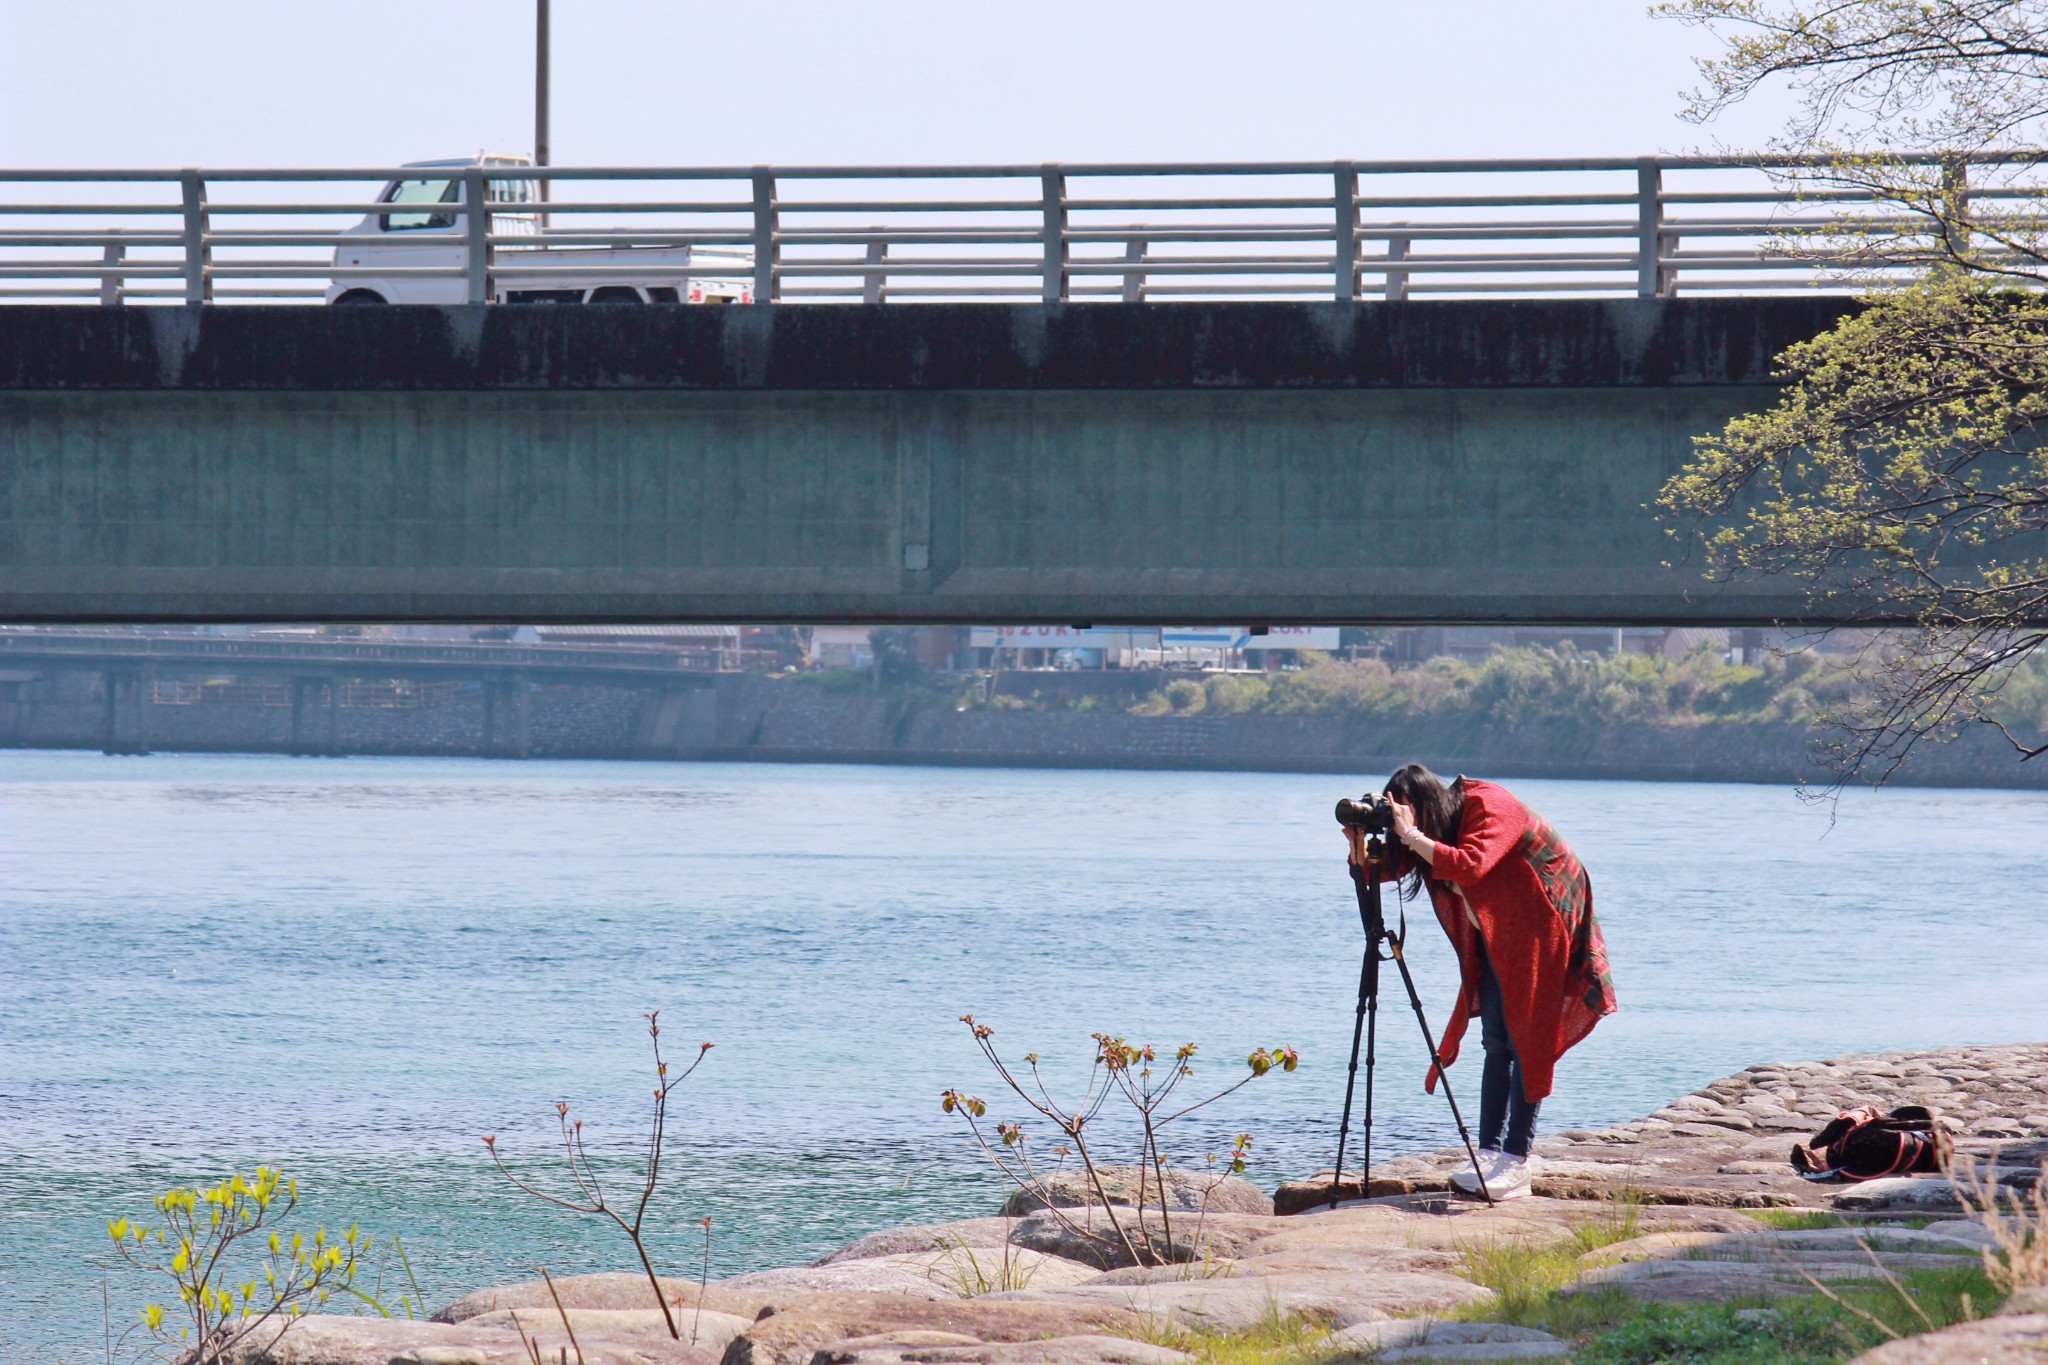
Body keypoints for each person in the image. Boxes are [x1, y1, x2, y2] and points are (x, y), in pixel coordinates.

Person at [1371, 763, 1617, 1199]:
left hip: (1544, 925)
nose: (1406, 828)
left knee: (1528, 1039)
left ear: (1426, 808)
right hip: (1500, 931)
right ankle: (1489, 1153)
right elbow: (1389, 868)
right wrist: (1363, 840)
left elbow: (1471, 864)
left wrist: (1410, 836)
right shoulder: (1439, 826)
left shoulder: (1490, 805)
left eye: (1407, 816)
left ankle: (1516, 1161)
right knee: (1497, 1041)